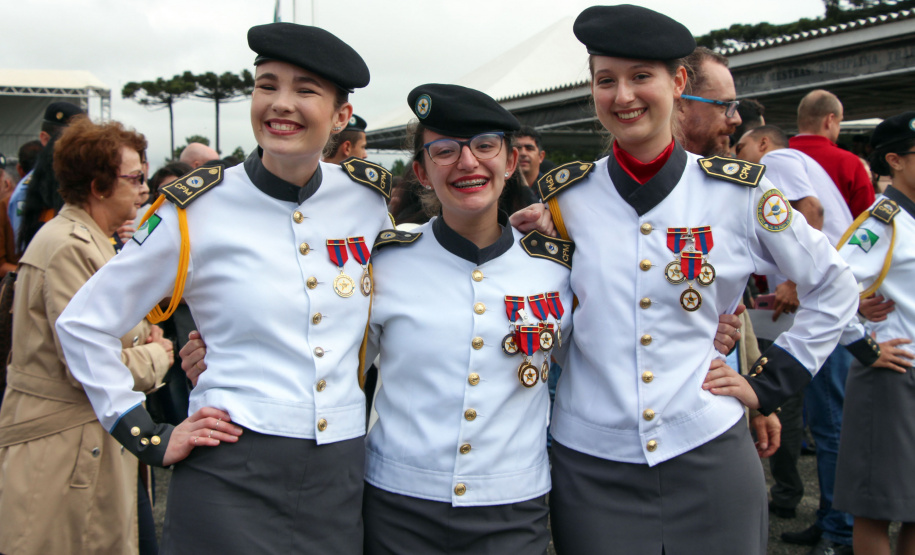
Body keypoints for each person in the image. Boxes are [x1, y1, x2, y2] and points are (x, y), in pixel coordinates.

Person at [512, 5, 860, 553]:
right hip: (590, 460)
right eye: (606, 81)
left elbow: (835, 285)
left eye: (640, 76)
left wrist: (769, 383)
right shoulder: (563, 199)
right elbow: (550, 321)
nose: (623, 96)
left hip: (707, 448)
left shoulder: (738, 192)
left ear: (677, 83)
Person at [55, 22, 390, 554]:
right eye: (266, 85)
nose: (281, 104)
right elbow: (83, 324)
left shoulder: (368, 202)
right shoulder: (194, 209)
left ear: (341, 116)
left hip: (339, 473)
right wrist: (146, 433)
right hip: (230, 472)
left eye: (305, 90)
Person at [0, 117, 172, 554]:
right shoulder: (69, 246)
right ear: (98, 186)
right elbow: (83, 361)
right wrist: (158, 356)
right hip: (64, 447)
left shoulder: (92, 239)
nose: (143, 188)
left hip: (88, 441)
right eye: (134, 178)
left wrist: (143, 336)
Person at [833, 112, 915, 555]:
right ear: (895, 160)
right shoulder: (881, 223)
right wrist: (864, 346)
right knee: (877, 508)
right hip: (893, 378)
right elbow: (828, 288)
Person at [8, 101, 84, 249]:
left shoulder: (83, 184)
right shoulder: (27, 192)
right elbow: (27, 250)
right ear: (45, 139)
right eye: (70, 141)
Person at [790, 89, 874, 218]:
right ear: (830, 120)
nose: (838, 129)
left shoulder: (772, 156)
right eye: (839, 122)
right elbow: (866, 222)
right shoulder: (849, 162)